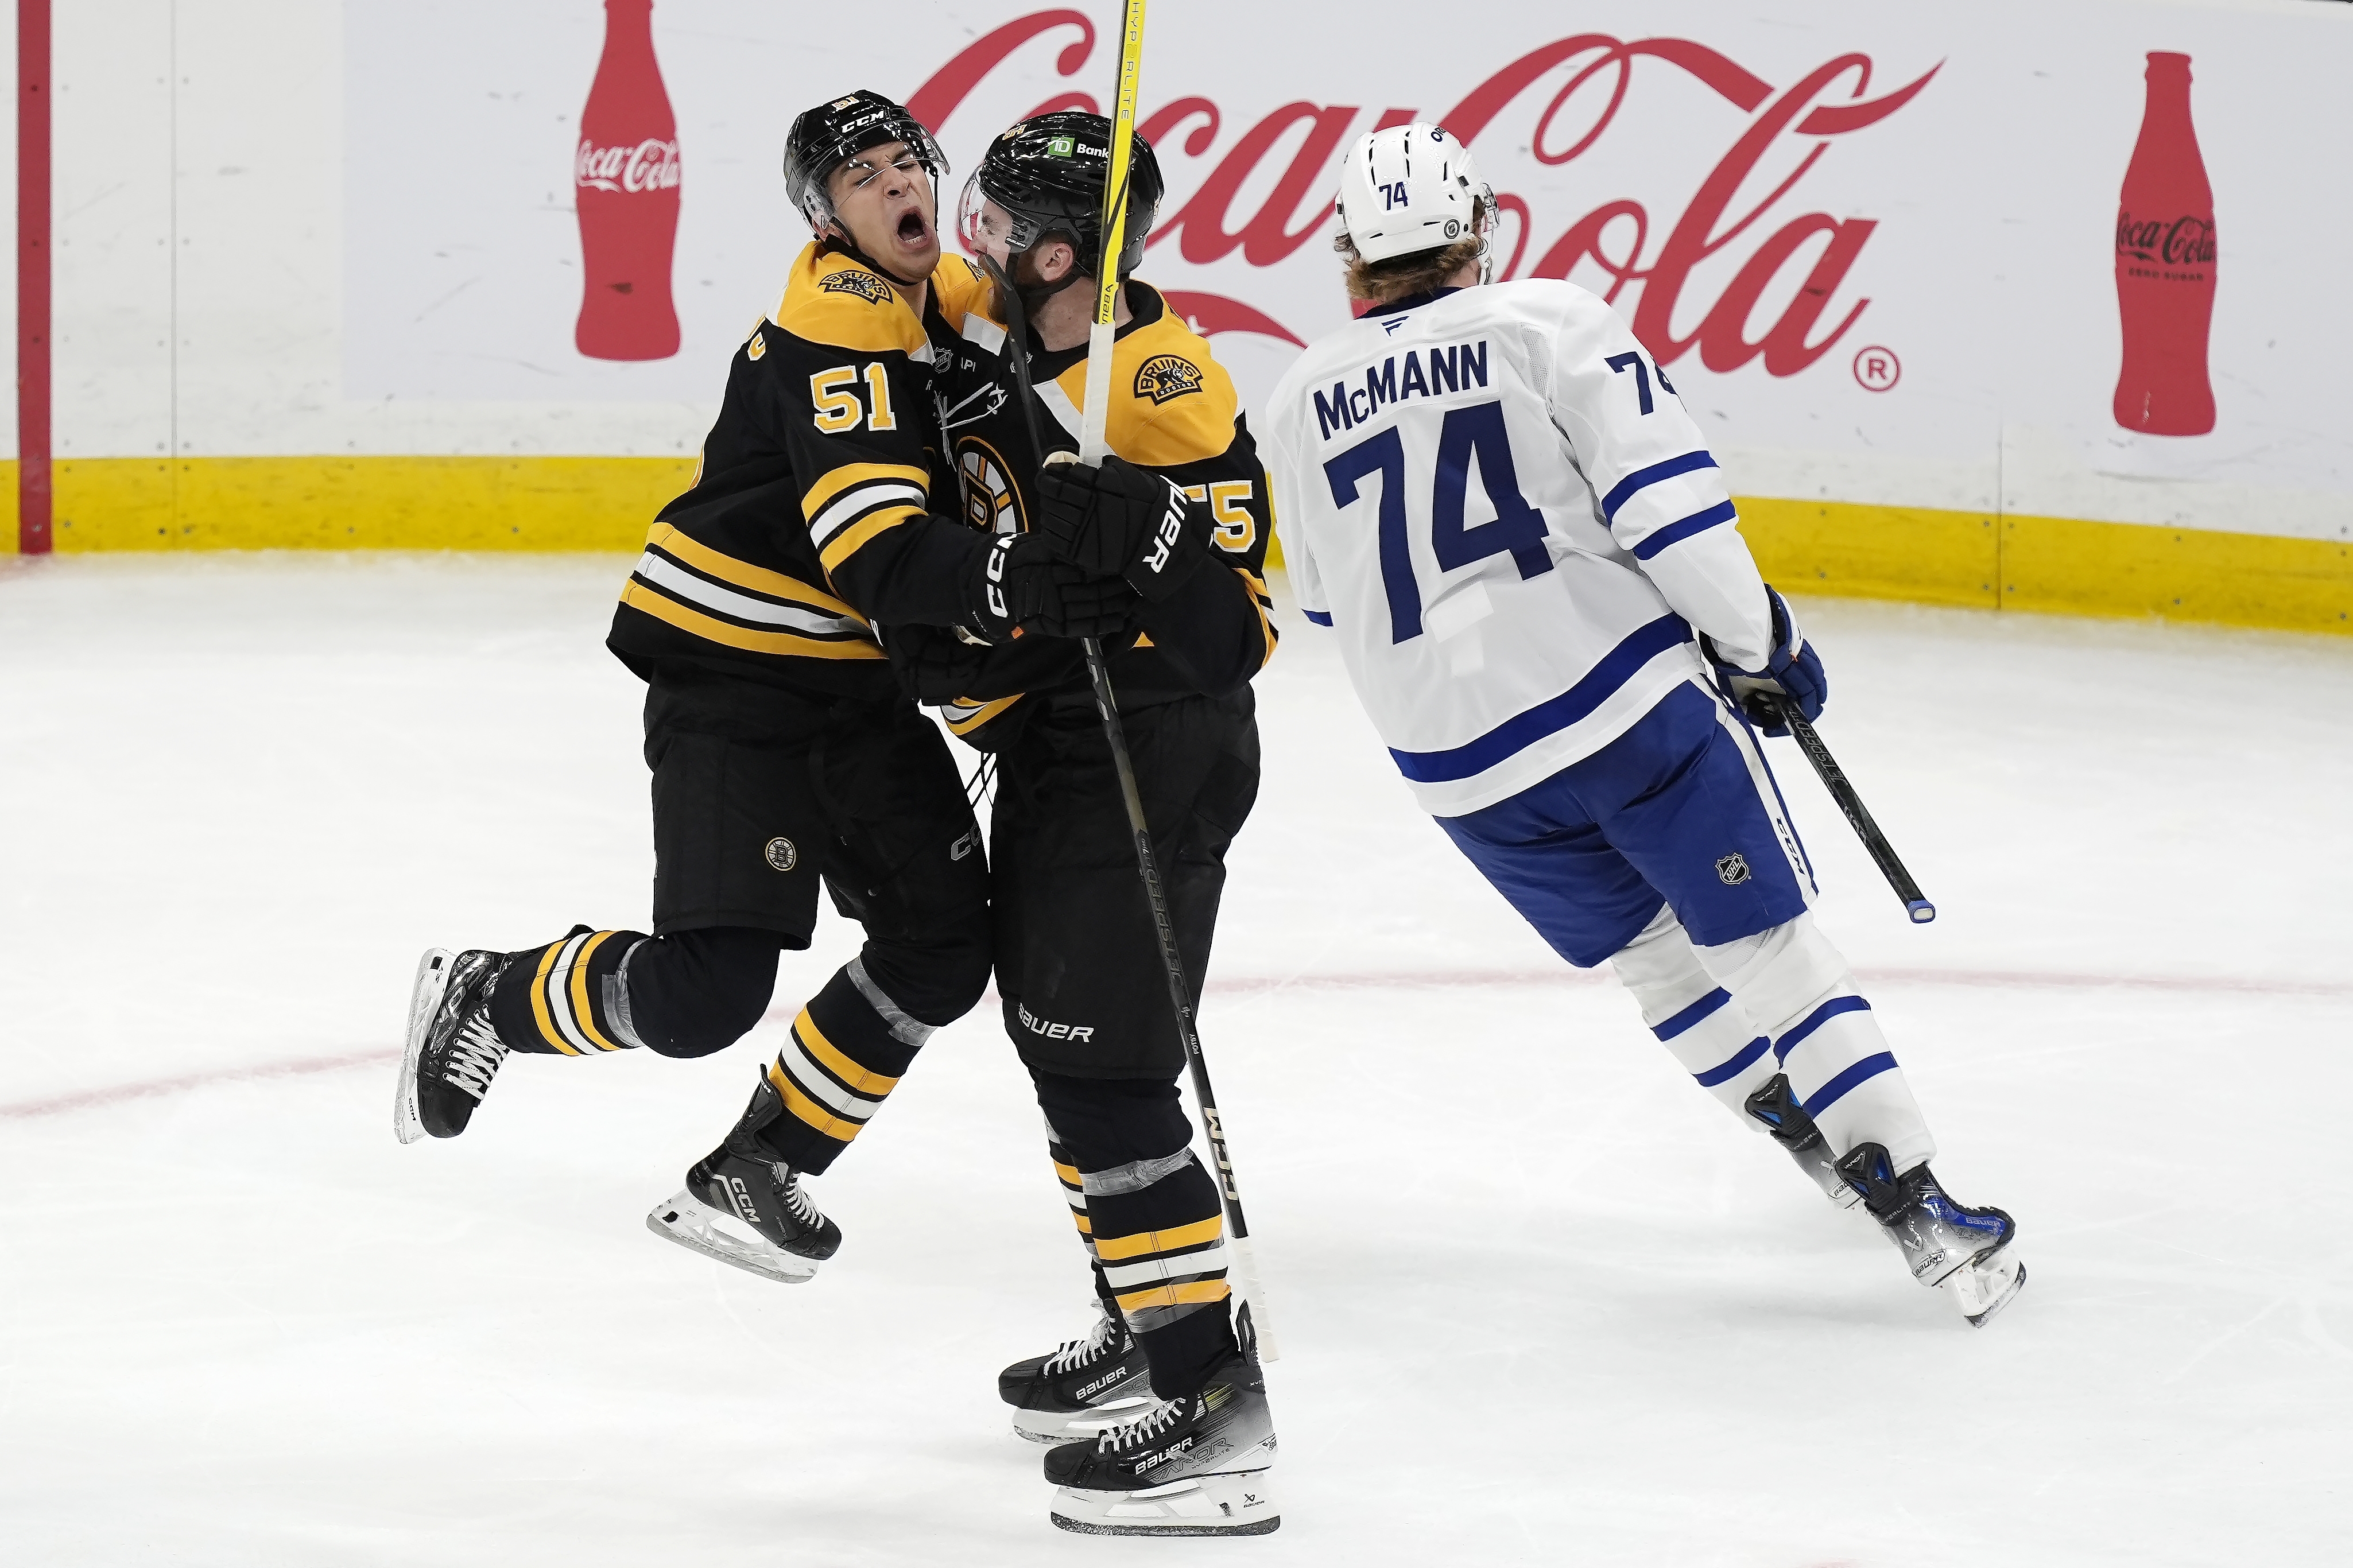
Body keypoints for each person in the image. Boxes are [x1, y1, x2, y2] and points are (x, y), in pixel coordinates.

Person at [1258, 123, 2024, 1327]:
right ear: (1479, 230)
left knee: (1656, 962)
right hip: (1619, 707)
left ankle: (1806, 1135)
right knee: (1763, 942)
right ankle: (1914, 1196)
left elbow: (1316, 596)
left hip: (1458, 767)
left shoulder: (1295, 396)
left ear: (1348, 257)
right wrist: (1762, 646)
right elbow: (1667, 516)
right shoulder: (1547, 323)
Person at [394, 90, 1131, 1287]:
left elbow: (1033, 311)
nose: (899, 190)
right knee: (702, 997)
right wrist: (1025, 581)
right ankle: (495, 990)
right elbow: (879, 553)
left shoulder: (930, 296)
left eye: (909, 166)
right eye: (864, 181)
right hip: (734, 672)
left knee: (941, 948)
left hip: (843, 683)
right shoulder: (836, 326)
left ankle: (763, 1160)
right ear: (826, 220)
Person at [904, 112, 1282, 1535]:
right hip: (1069, 741)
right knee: (1070, 1049)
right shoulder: (1024, 323)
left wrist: (1150, 533)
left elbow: (1232, 634)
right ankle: (1147, 1310)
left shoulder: (1163, 385)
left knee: (1105, 1071)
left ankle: (1215, 1409)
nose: (970, 242)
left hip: (1155, 747)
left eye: (995, 224)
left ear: (1060, 251)